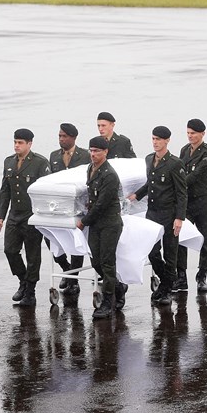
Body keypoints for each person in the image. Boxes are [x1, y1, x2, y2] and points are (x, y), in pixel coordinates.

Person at [128, 126, 187, 306]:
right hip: (152, 213)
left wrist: (179, 218)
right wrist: (136, 195)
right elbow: (150, 183)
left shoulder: (175, 164)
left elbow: (181, 193)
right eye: (153, 139)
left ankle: (167, 289)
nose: (155, 142)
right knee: (153, 252)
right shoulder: (149, 159)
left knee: (170, 254)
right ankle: (166, 281)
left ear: (167, 141)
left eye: (159, 139)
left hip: (169, 215)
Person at [0, 129, 51, 306]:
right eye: (15, 142)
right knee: (10, 250)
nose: (16, 146)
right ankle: (23, 280)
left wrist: (44, 216)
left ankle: (30, 291)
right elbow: (5, 190)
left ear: (29, 144)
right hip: (14, 215)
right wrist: (1, 215)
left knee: (32, 255)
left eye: (20, 143)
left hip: (32, 216)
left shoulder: (40, 163)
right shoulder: (9, 162)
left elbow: (46, 191)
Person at [76, 136, 124, 319]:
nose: (93, 154)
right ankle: (118, 287)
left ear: (106, 152)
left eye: (97, 151)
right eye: (91, 150)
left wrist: (84, 221)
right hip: (96, 223)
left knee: (107, 262)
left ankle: (108, 301)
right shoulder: (91, 168)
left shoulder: (109, 175)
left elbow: (102, 203)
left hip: (110, 223)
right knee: (96, 261)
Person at [47, 123, 89, 296]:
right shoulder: (54, 156)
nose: (61, 139)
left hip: (78, 206)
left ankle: (73, 279)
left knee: (75, 243)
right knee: (50, 239)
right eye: (59, 136)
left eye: (64, 136)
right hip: (59, 207)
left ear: (73, 138)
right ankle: (67, 268)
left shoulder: (85, 155)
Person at [174, 119, 207, 293]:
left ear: (202, 134)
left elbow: (195, 175)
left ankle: (202, 275)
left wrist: (174, 184)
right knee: (180, 237)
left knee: (205, 238)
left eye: (194, 133)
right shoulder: (184, 150)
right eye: (188, 133)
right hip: (187, 202)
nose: (190, 136)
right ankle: (181, 276)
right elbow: (180, 170)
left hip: (203, 201)